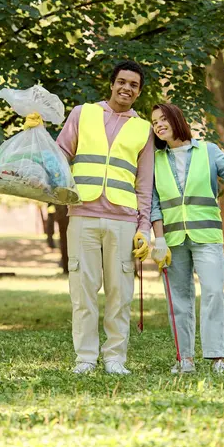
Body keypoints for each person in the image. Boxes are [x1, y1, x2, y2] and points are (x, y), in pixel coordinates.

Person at [57, 60, 154, 375]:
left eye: (134, 85)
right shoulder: (82, 114)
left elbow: (144, 185)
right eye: (122, 82)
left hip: (123, 221)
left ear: (138, 92)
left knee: (120, 293)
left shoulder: (144, 130)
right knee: (82, 290)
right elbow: (60, 155)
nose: (126, 88)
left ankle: (115, 358)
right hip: (82, 214)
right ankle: (85, 358)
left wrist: (144, 228)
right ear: (112, 84)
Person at [150, 103, 224, 375]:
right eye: (155, 122)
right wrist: (159, 239)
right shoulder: (154, 160)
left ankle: (217, 359)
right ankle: (185, 360)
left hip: (207, 236)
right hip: (172, 239)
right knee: (178, 299)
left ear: (177, 119)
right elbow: (154, 202)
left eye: (163, 118)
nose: (158, 125)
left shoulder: (208, 151)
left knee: (214, 292)